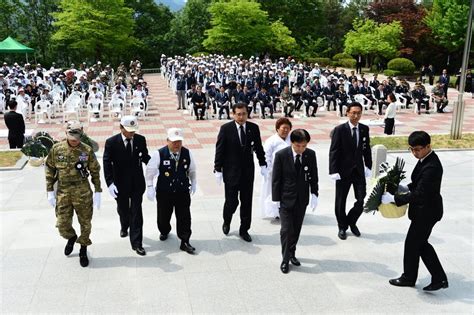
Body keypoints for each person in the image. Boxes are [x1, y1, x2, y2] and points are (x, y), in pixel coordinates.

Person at [382, 131, 448, 291]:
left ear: (428, 146)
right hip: (424, 211)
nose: (414, 153)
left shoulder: (432, 166)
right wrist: (403, 187)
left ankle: (410, 278)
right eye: (411, 149)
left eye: (418, 149)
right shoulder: (425, 159)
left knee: (413, 244)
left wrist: (394, 199)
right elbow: (418, 184)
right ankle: (437, 278)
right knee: (420, 244)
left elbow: (420, 194)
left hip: (427, 212)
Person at [45, 121, 102, 267]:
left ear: (81, 135)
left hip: (82, 192)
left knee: (85, 223)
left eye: (76, 138)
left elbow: (95, 171)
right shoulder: (57, 149)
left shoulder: (87, 150)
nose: (74, 141)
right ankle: (71, 237)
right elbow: (50, 169)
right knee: (62, 224)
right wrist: (50, 190)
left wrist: (98, 190)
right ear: (66, 134)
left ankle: (83, 248)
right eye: (71, 137)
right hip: (63, 192)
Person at [214, 103, 267, 242]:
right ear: (233, 114)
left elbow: (258, 147)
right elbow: (219, 149)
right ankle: (227, 220)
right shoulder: (226, 129)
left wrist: (263, 163)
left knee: (246, 202)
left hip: (247, 172)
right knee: (231, 201)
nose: (242, 116)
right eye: (238, 114)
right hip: (231, 172)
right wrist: (217, 169)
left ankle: (244, 229)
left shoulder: (253, 128)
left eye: (244, 113)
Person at [272, 129, 319, 274]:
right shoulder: (281, 155)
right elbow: (276, 179)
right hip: (285, 199)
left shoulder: (310, 155)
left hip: (301, 199)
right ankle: (285, 259)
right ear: (292, 142)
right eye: (298, 146)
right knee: (286, 230)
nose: (301, 149)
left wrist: (314, 193)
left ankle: (292, 253)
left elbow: (314, 175)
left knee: (296, 229)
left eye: (304, 146)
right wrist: (275, 200)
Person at [103, 116, 150, 256]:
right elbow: (106, 163)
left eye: (133, 131)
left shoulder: (140, 140)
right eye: (129, 131)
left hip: (137, 183)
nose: (131, 133)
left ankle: (137, 243)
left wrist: (154, 165)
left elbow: (145, 156)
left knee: (136, 213)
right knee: (123, 210)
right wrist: (110, 183)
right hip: (120, 184)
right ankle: (124, 225)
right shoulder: (111, 142)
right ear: (121, 128)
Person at [145, 128, 197, 254]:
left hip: (182, 191)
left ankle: (185, 241)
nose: (176, 144)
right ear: (167, 140)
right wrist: (150, 187)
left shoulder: (187, 153)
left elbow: (192, 170)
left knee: (184, 217)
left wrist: (194, 182)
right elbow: (150, 172)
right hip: (165, 192)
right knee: (163, 217)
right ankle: (164, 230)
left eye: (179, 141)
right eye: (174, 141)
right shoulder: (159, 154)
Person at [329, 102, 372, 240]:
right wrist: (333, 170)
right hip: (343, 171)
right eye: (353, 112)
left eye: (359, 113)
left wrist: (368, 166)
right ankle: (342, 226)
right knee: (340, 201)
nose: (356, 115)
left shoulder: (364, 129)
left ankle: (351, 221)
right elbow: (334, 151)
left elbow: (366, 149)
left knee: (362, 200)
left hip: (358, 170)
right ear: (347, 113)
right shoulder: (339, 130)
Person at [260, 118, 292, 220]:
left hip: (289, 171)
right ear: (277, 129)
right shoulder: (271, 141)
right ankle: (274, 212)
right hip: (274, 171)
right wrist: (269, 171)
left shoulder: (291, 139)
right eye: (283, 128)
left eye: (288, 128)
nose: (286, 130)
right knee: (273, 192)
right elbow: (267, 156)